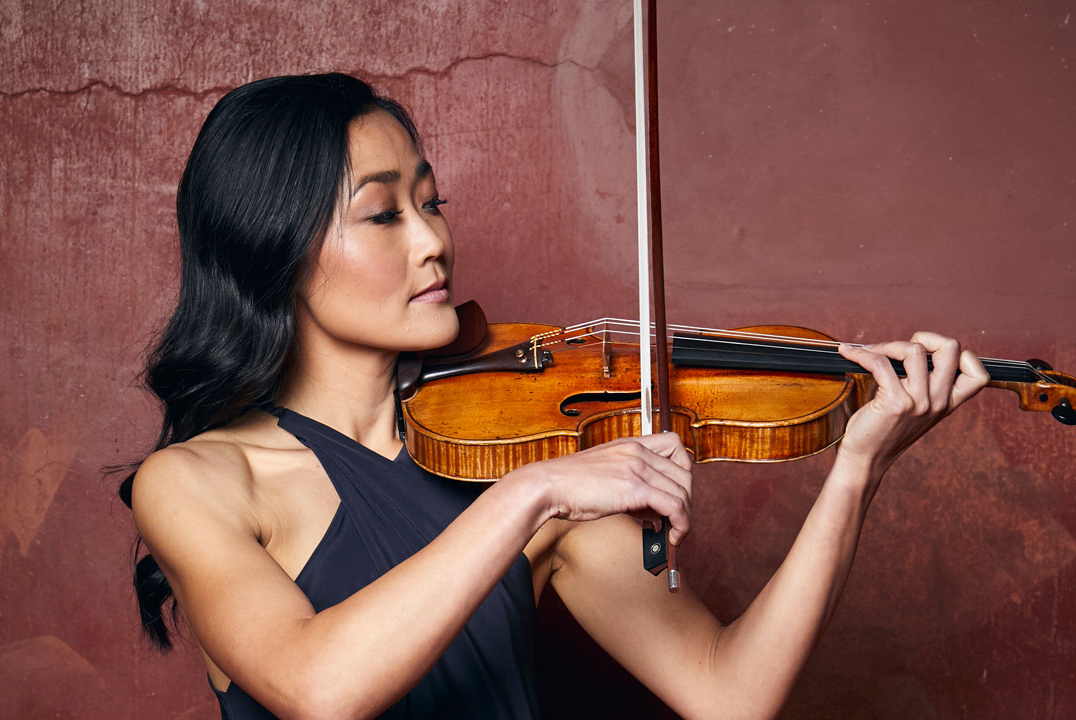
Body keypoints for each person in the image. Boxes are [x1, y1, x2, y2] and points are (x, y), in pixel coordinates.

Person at [119, 73, 989, 720]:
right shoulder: (196, 482)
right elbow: (320, 689)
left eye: (433, 202)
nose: (432, 240)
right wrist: (532, 493)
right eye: (384, 215)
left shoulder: (519, 444)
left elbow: (730, 693)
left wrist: (858, 471)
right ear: (273, 249)